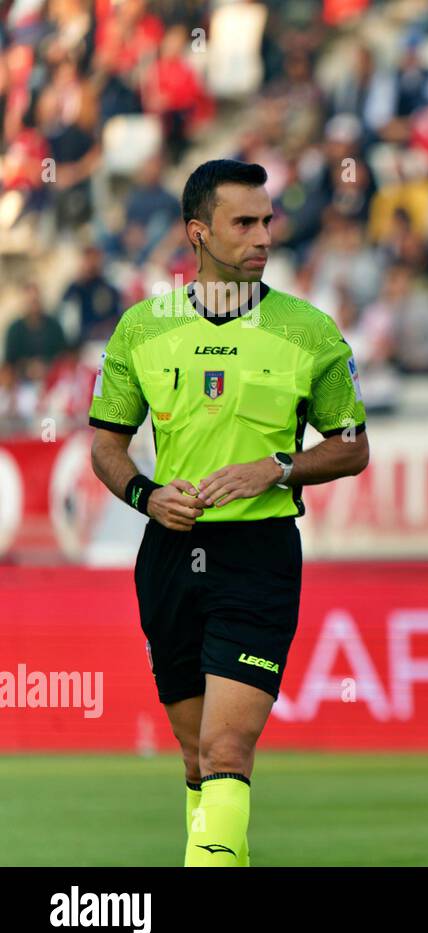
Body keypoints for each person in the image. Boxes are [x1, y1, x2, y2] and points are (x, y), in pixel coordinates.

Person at [87, 159, 369, 866]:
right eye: (244, 223)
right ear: (198, 232)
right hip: (169, 557)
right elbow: (105, 446)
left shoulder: (307, 330)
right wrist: (145, 496)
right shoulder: (143, 328)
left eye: (266, 221)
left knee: (226, 746)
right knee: (194, 756)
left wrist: (273, 469)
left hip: (259, 555)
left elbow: (353, 448)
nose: (262, 237)